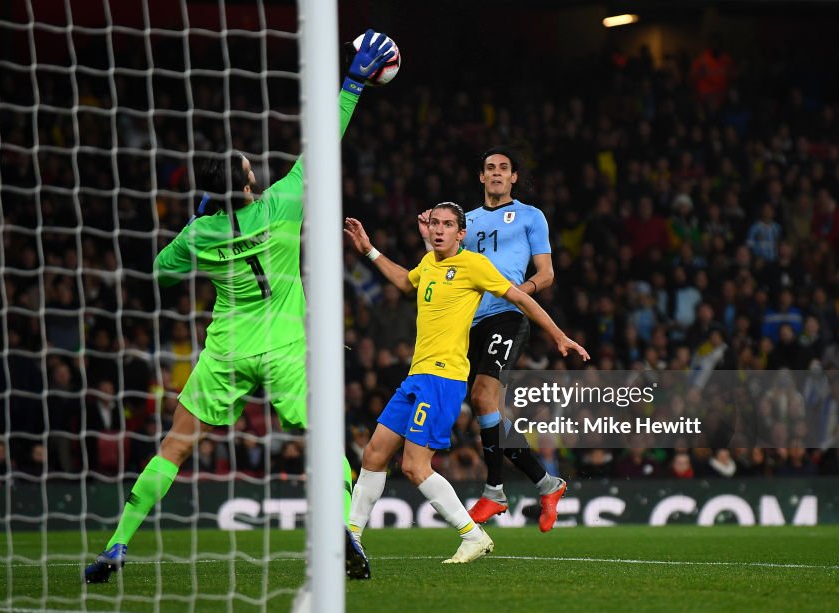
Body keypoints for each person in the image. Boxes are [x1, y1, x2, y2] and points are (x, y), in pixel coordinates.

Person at [83, 30, 396, 584]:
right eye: (249, 165)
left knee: (175, 446)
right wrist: (352, 84)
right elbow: (325, 143)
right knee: (326, 443)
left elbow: (158, 271)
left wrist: (202, 220)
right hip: (285, 349)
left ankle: (117, 544)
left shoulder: (199, 234)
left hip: (227, 349)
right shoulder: (282, 203)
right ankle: (343, 531)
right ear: (250, 183)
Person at [344, 203, 589, 564]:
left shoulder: (473, 265)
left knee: (414, 466)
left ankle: (472, 535)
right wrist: (369, 250)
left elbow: (520, 297)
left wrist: (559, 335)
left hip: (443, 379)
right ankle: (350, 539)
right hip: (416, 376)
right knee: (374, 455)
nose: (438, 230)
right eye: (434, 224)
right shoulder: (429, 264)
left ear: (462, 234)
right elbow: (402, 280)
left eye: (447, 225)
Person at [418, 147, 565, 531]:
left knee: (483, 396)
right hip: (469, 322)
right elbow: (445, 266)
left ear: (514, 177)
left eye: (504, 168)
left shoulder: (531, 216)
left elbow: (546, 273)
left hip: (508, 315)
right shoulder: (464, 222)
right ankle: (547, 483)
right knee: (487, 409)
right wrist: (429, 237)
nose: (497, 173)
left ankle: (495, 490)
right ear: (481, 177)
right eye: (490, 168)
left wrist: (517, 292)